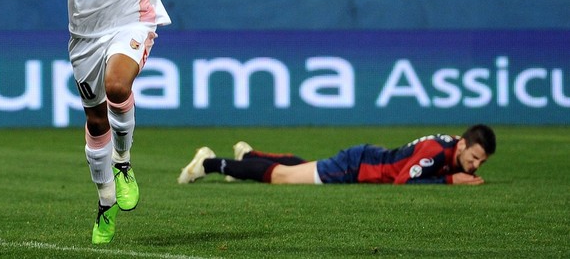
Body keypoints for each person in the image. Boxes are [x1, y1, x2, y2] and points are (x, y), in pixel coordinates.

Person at [26, 0, 269, 245]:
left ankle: (123, 162)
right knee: (96, 121)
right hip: (86, 34)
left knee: (118, 85)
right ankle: (105, 202)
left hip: (135, 18)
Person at [178, 124, 496, 185]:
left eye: (481, 162)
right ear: (463, 145)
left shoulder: (453, 147)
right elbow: (404, 181)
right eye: (474, 157)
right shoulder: (437, 152)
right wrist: (450, 181)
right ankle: (209, 163)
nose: (475, 165)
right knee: (283, 177)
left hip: (363, 160)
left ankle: (248, 157)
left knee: (305, 167)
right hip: (357, 167)